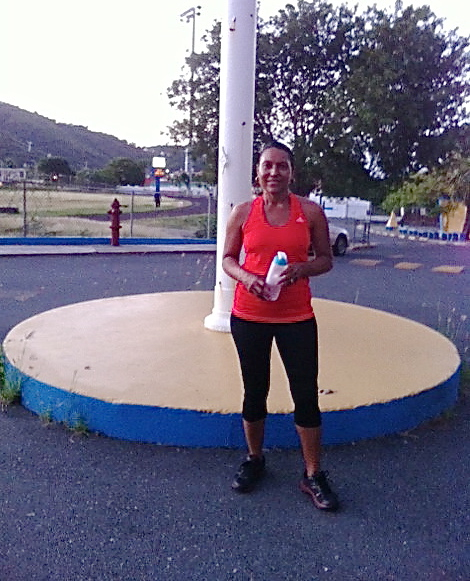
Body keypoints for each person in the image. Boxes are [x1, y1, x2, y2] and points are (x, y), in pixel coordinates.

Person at [222, 140, 339, 511]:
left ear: (292, 172)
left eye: (282, 166)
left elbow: (325, 260)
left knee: (305, 394)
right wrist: (245, 276)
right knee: (255, 391)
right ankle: (255, 459)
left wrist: (302, 269)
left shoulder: (310, 212)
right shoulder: (242, 212)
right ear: (258, 172)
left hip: (296, 317)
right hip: (249, 315)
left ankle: (312, 473)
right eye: (267, 166)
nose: (274, 172)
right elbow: (226, 258)